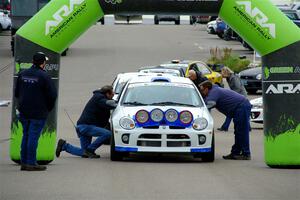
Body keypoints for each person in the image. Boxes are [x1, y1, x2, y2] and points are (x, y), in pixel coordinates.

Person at [15, 52, 57, 171]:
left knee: (26, 136)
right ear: (43, 63)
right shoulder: (44, 76)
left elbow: (16, 93)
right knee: (33, 137)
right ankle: (31, 163)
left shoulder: (22, 74)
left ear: (33, 61)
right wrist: (48, 108)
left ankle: (24, 161)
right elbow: (52, 95)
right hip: (38, 113)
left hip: (23, 111)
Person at [56, 85, 117, 159]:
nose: (113, 96)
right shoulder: (99, 98)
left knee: (84, 152)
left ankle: (64, 146)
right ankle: (90, 150)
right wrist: (118, 104)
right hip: (86, 126)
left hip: (83, 126)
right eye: (112, 94)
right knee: (108, 134)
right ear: (107, 93)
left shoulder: (98, 96)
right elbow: (107, 103)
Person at [199, 80, 251, 160]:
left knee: (242, 131)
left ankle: (246, 154)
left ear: (207, 89)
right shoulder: (214, 90)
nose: (201, 92)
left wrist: (199, 109)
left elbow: (211, 103)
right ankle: (235, 152)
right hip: (240, 107)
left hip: (241, 106)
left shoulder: (214, 91)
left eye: (202, 90)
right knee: (238, 131)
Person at [218, 67, 247, 132]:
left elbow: (238, 88)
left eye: (222, 72)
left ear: (226, 72)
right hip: (237, 96)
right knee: (232, 112)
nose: (221, 74)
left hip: (241, 96)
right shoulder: (229, 78)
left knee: (230, 111)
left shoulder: (234, 78)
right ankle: (225, 127)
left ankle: (225, 127)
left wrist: (232, 95)